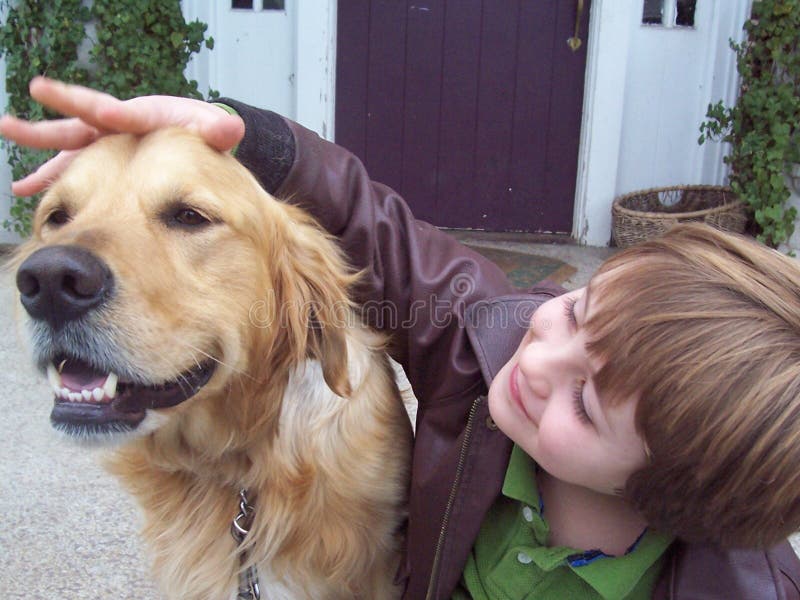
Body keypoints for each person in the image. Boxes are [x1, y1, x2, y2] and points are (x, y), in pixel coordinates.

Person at [4, 77, 800, 600]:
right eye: (578, 309)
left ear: (667, 496)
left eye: (587, 403)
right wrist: (258, 140)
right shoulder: (491, 351)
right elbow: (384, 235)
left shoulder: (728, 583)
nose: (538, 351)